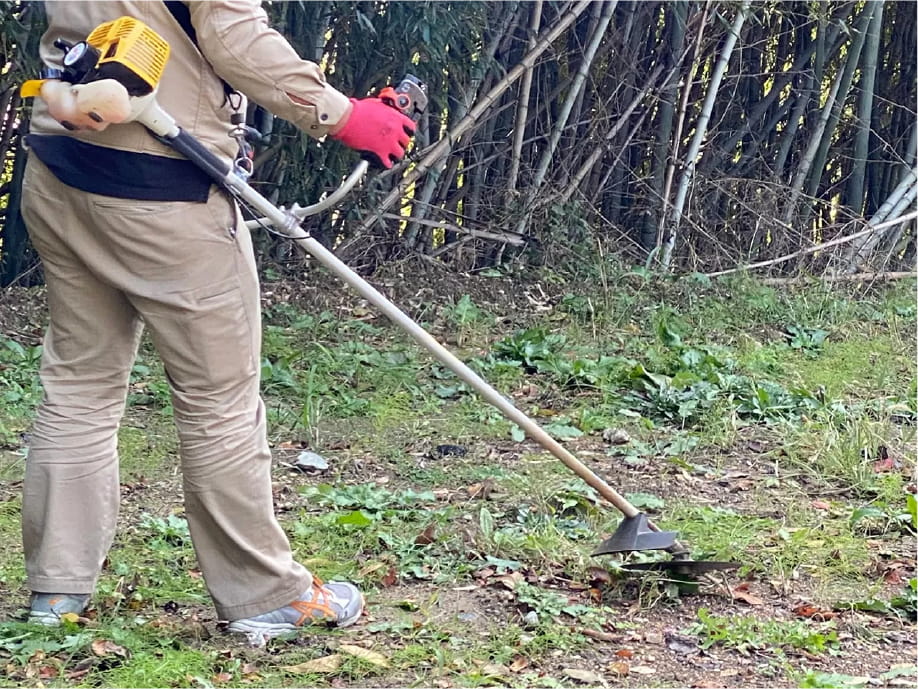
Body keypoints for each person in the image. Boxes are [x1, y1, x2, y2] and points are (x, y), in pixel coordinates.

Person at [20, 1, 416, 645]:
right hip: (162, 181)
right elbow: (234, 38)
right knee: (218, 400)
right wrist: (342, 114)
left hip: (62, 164)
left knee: (79, 385)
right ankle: (265, 594)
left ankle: (57, 592)